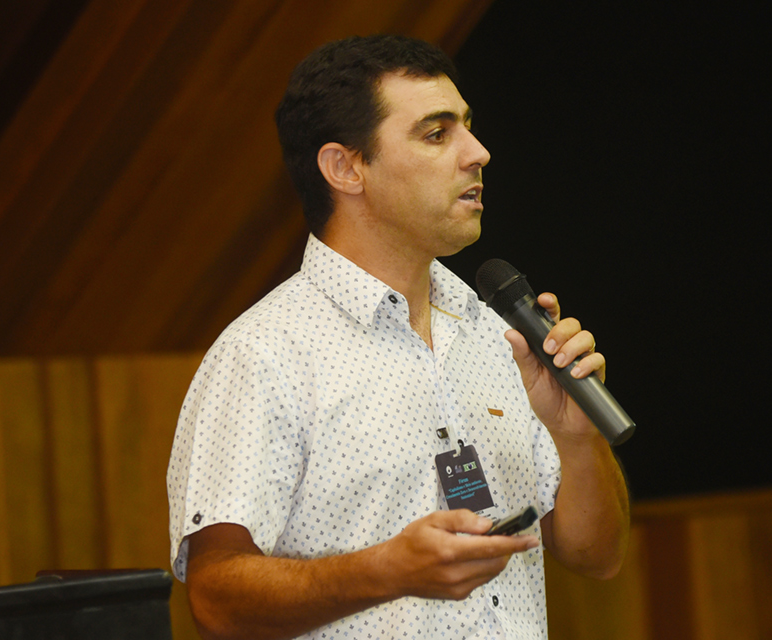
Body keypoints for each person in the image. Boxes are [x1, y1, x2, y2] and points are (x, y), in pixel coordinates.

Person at [167, 34, 629, 640]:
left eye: (468, 126)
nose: (479, 152)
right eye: (437, 134)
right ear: (346, 167)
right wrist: (385, 570)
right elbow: (216, 599)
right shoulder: (265, 354)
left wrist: (577, 438)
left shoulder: (498, 335)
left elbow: (598, 557)